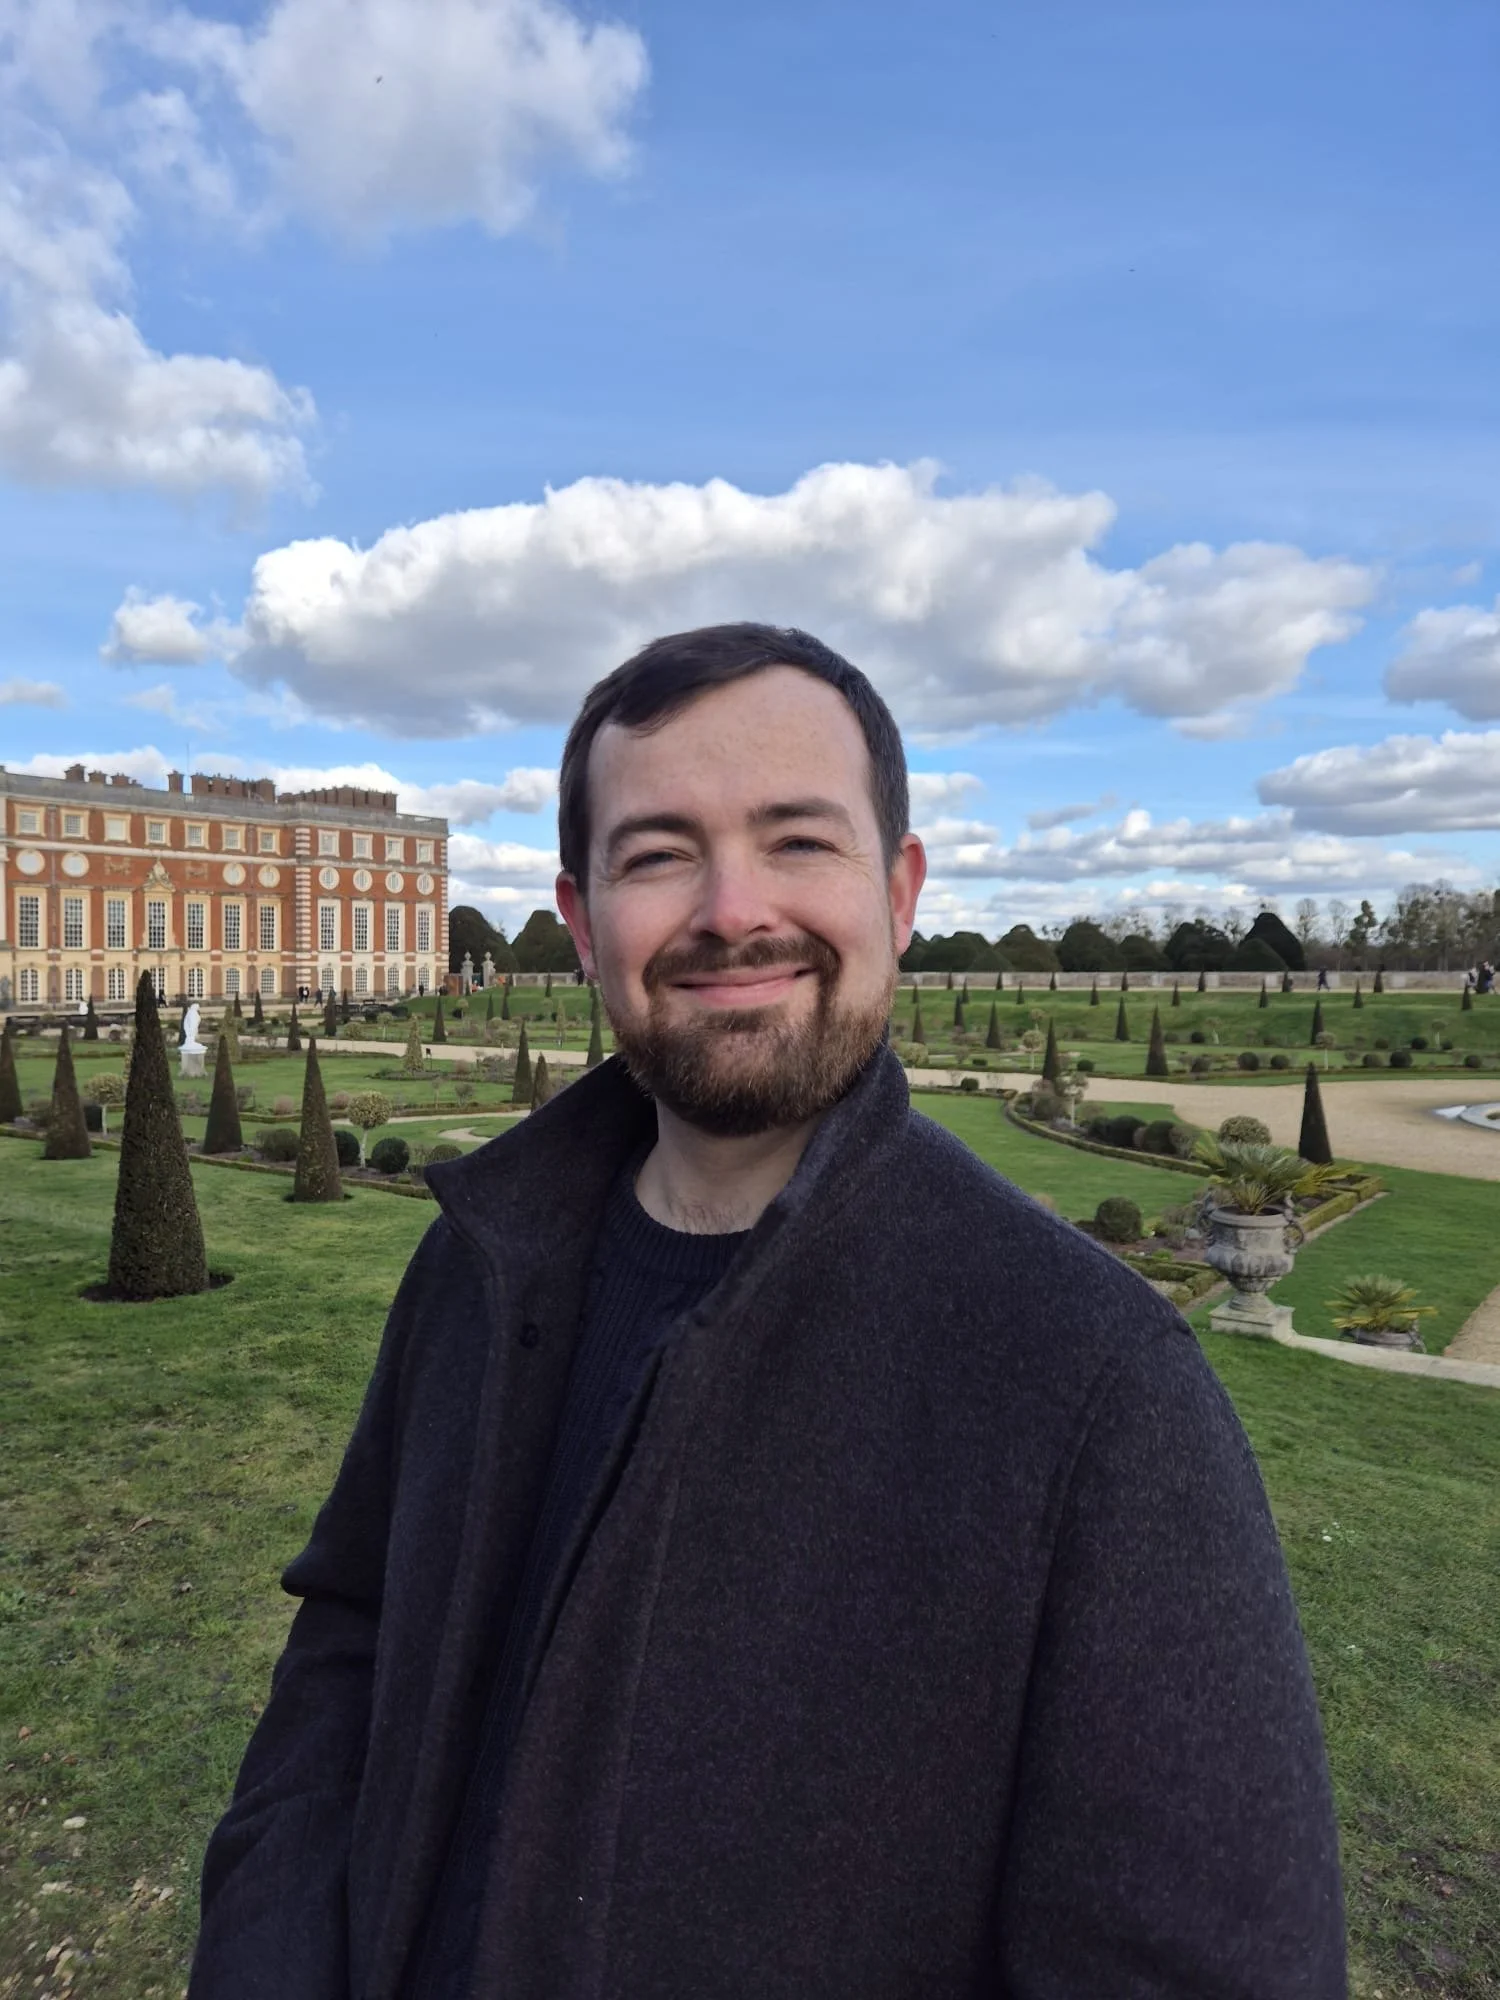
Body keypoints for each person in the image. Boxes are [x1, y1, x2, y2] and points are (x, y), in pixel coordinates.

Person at [189, 624, 1346, 1999]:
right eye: (658, 853)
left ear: (898, 893)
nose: (733, 909)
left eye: (798, 840)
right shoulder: (473, 1264)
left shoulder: (1097, 1386)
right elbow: (348, 1653)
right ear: (581, 920)